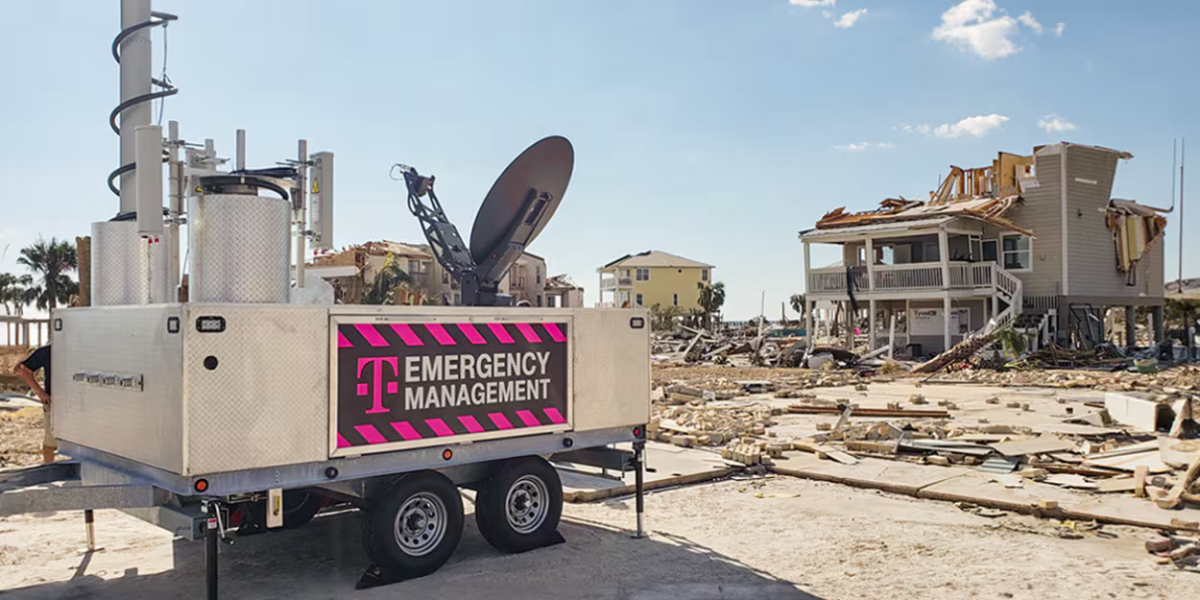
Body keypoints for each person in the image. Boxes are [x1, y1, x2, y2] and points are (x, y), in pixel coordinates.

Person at [15, 344, 54, 463]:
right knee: (51, 443)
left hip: (81, 403)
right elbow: (22, 370)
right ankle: (49, 468)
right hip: (54, 403)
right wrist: (41, 393)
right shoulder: (48, 351)